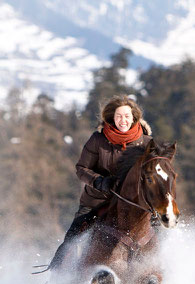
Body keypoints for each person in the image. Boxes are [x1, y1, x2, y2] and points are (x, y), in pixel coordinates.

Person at [41, 94, 152, 274]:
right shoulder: (97, 140)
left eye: (126, 116)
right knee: (73, 236)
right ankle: (56, 276)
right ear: (111, 118)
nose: (123, 120)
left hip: (135, 204)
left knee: (158, 230)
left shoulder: (146, 143)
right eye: (118, 116)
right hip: (98, 200)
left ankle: (160, 271)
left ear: (134, 118)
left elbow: (154, 174)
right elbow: (81, 168)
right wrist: (99, 181)